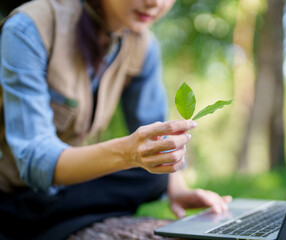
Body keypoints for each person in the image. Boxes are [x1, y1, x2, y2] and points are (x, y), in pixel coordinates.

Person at [0, 0, 232, 239]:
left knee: (152, 178)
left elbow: (156, 134)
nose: (155, 2)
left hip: (67, 192)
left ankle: (66, 222)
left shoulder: (143, 45)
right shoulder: (30, 28)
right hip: (15, 197)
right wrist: (126, 153)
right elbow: (36, 161)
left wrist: (178, 190)